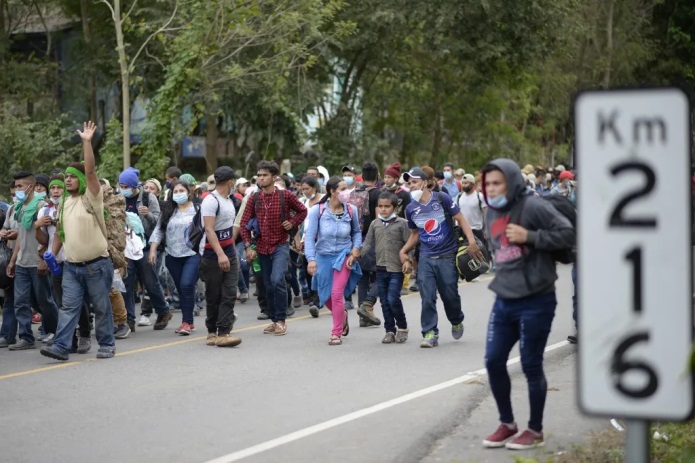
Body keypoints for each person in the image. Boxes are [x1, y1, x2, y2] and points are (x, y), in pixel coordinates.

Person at [479, 159, 574, 450]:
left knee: (531, 364)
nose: (492, 188)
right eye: (489, 183)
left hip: (536, 299)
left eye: (498, 183)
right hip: (504, 299)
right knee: (493, 361)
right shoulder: (489, 213)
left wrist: (529, 236)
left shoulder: (533, 206)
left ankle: (535, 430)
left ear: (512, 182)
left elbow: (568, 233)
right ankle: (507, 424)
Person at [40, 121, 117, 361]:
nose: (68, 181)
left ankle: (106, 344)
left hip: (97, 265)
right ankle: (62, 347)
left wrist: (86, 141)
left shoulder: (91, 198)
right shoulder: (63, 203)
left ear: (81, 180)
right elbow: (61, 233)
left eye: (73, 177)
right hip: (71, 268)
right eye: (66, 178)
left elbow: (91, 171)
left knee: (101, 307)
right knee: (68, 308)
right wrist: (50, 255)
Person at [399, 167, 483, 348]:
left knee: (450, 296)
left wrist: (471, 242)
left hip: (446, 256)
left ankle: (456, 319)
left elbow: (461, 219)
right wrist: (403, 251)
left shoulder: (441, 198)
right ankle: (430, 333)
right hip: (426, 257)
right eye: (409, 183)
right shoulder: (411, 208)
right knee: (427, 297)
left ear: (425, 182)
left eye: (414, 181)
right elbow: (415, 234)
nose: (411, 185)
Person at [241, 161, 307, 336]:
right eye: (259, 175)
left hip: (281, 244)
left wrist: (292, 223)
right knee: (267, 285)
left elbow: (302, 211)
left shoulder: (285, 196)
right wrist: (248, 246)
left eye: (265, 175)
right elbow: (244, 223)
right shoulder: (255, 198)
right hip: (261, 246)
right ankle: (274, 320)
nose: (261, 178)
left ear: (274, 177)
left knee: (278, 279)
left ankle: (281, 320)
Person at [304, 177, 362, 345]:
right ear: (332, 191)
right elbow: (310, 237)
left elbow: (357, 232)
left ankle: (336, 333)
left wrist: (355, 249)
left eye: (346, 188)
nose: (346, 192)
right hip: (323, 256)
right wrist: (311, 259)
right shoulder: (318, 211)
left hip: (343, 256)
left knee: (337, 294)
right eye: (342, 188)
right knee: (325, 296)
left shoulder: (351, 210)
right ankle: (342, 315)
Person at [6, 171, 59, 350]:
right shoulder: (20, 208)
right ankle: (26, 338)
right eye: (16, 186)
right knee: (20, 301)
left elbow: (47, 237)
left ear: (30, 186)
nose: (17, 190)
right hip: (22, 262)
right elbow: (21, 236)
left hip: (37, 261)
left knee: (44, 300)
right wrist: (13, 260)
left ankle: (55, 331)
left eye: (20, 186)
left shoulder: (41, 206)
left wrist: (44, 259)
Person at [118, 167, 172, 332]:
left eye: (126, 186)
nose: (123, 189)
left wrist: (148, 214)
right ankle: (129, 320)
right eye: (121, 185)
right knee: (127, 282)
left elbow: (159, 223)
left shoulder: (148, 198)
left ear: (134, 186)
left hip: (145, 246)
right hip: (126, 248)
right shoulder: (118, 198)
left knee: (150, 281)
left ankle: (163, 311)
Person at [149, 181, 200, 336]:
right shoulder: (168, 210)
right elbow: (158, 231)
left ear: (189, 192)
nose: (178, 193)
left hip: (193, 254)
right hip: (172, 256)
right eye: (175, 191)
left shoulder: (198, 209)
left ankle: (186, 322)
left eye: (181, 190)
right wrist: (152, 250)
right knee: (182, 289)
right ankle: (189, 322)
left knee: (186, 285)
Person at [360, 192, 412, 343]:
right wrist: (356, 255)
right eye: (380, 206)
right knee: (384, 301)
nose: (383, 209)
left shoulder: (402, 223)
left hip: (397, 269)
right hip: (380, 269)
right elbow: (368, 243)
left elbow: (410, 244)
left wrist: (407, 261)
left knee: (392, 299)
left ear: (395, 207)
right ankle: (389, 330)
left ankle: (402, 327)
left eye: (387, 206)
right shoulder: (375, 224)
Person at [200, 166, 242, 347]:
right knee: (213, 294)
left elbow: (228, 230)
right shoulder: (210, 201)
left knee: (229, 293)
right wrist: (220, 255)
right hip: (212, 254)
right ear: (231, 182)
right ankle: (211, 331)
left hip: (229, 252)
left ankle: (224, 331)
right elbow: (209, 229)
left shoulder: (229, 201)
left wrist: (232, 253)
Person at [297, 175, 323, 316]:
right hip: (307, 239)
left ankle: (319, 298)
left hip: (322, 239)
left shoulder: (324, 200)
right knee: (308, 268)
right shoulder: (303, 202)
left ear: (314, 187)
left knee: (319, 269)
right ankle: (313, 294)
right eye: (303, 189)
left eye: (307, 188)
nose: (305, 191)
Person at [457, 173, 487, 246]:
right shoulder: (459, 197)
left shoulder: (480, 196)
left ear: (472, 184)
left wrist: (487, 230)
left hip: (476, 230)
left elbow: (485, 214)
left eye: (466, 183)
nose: (464, 185)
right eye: (463, 183)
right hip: (462, 231)